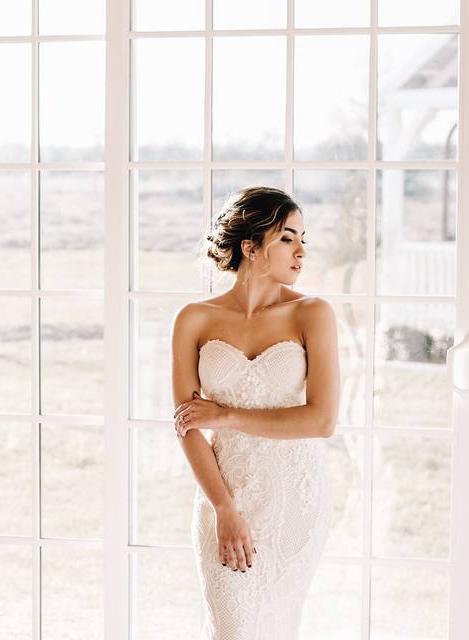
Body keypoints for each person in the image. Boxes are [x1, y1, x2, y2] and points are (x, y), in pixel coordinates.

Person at [170, 186, 340, 639]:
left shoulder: (312, 313)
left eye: (304, 238)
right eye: (287, 238)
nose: (301, 251)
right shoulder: (194, 318)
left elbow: (321, 420)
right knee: (232, 628)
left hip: (294, 499)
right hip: (223, 497)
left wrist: (224, 417)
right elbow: (187, 427)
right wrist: (223, 507)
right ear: (250, 247)